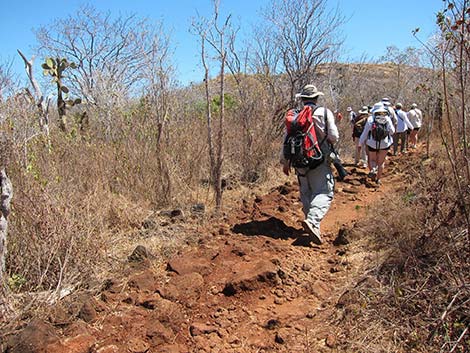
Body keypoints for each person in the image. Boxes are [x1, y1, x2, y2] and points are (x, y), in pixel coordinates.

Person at [281, 84, 339, 244]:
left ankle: (312, 224)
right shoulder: (324, 113)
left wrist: (285, 162)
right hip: (318, 159)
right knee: (324, 192)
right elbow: (334, 137)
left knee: (306, 192)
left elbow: (286, 140)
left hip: (298, 160)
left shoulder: (294, 115)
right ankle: (313, 221)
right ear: (316, 98)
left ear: (302, 99)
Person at [359, 103, 395, 185]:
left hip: (372, 143)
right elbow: (392, 131)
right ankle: (378, 179)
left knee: (372, 160)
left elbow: (365, 132)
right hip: (385, 143)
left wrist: (360, 143)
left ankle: (373, 170)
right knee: (381, 162)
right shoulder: (387, 118)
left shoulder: (370, 119)